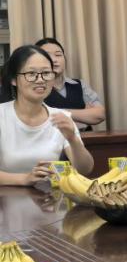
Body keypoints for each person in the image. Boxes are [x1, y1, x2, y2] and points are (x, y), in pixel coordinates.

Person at [0, 45, 94, 185]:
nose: (40, 79)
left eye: (46, 73)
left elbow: (85, 169)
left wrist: (72, 138)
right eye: (31, 73)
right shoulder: (2, 115)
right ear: (14, 79)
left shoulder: (61, 117)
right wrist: (24, 179)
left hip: (48, 197)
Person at [34, 38, 106, 131]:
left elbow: (100, 114)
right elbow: (37, 118)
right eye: (47, 56)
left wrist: (56, 113)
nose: (54, 60)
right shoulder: (35, 87)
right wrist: (83, 113)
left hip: (84, 137)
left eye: (58, 55)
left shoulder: (79, 84)